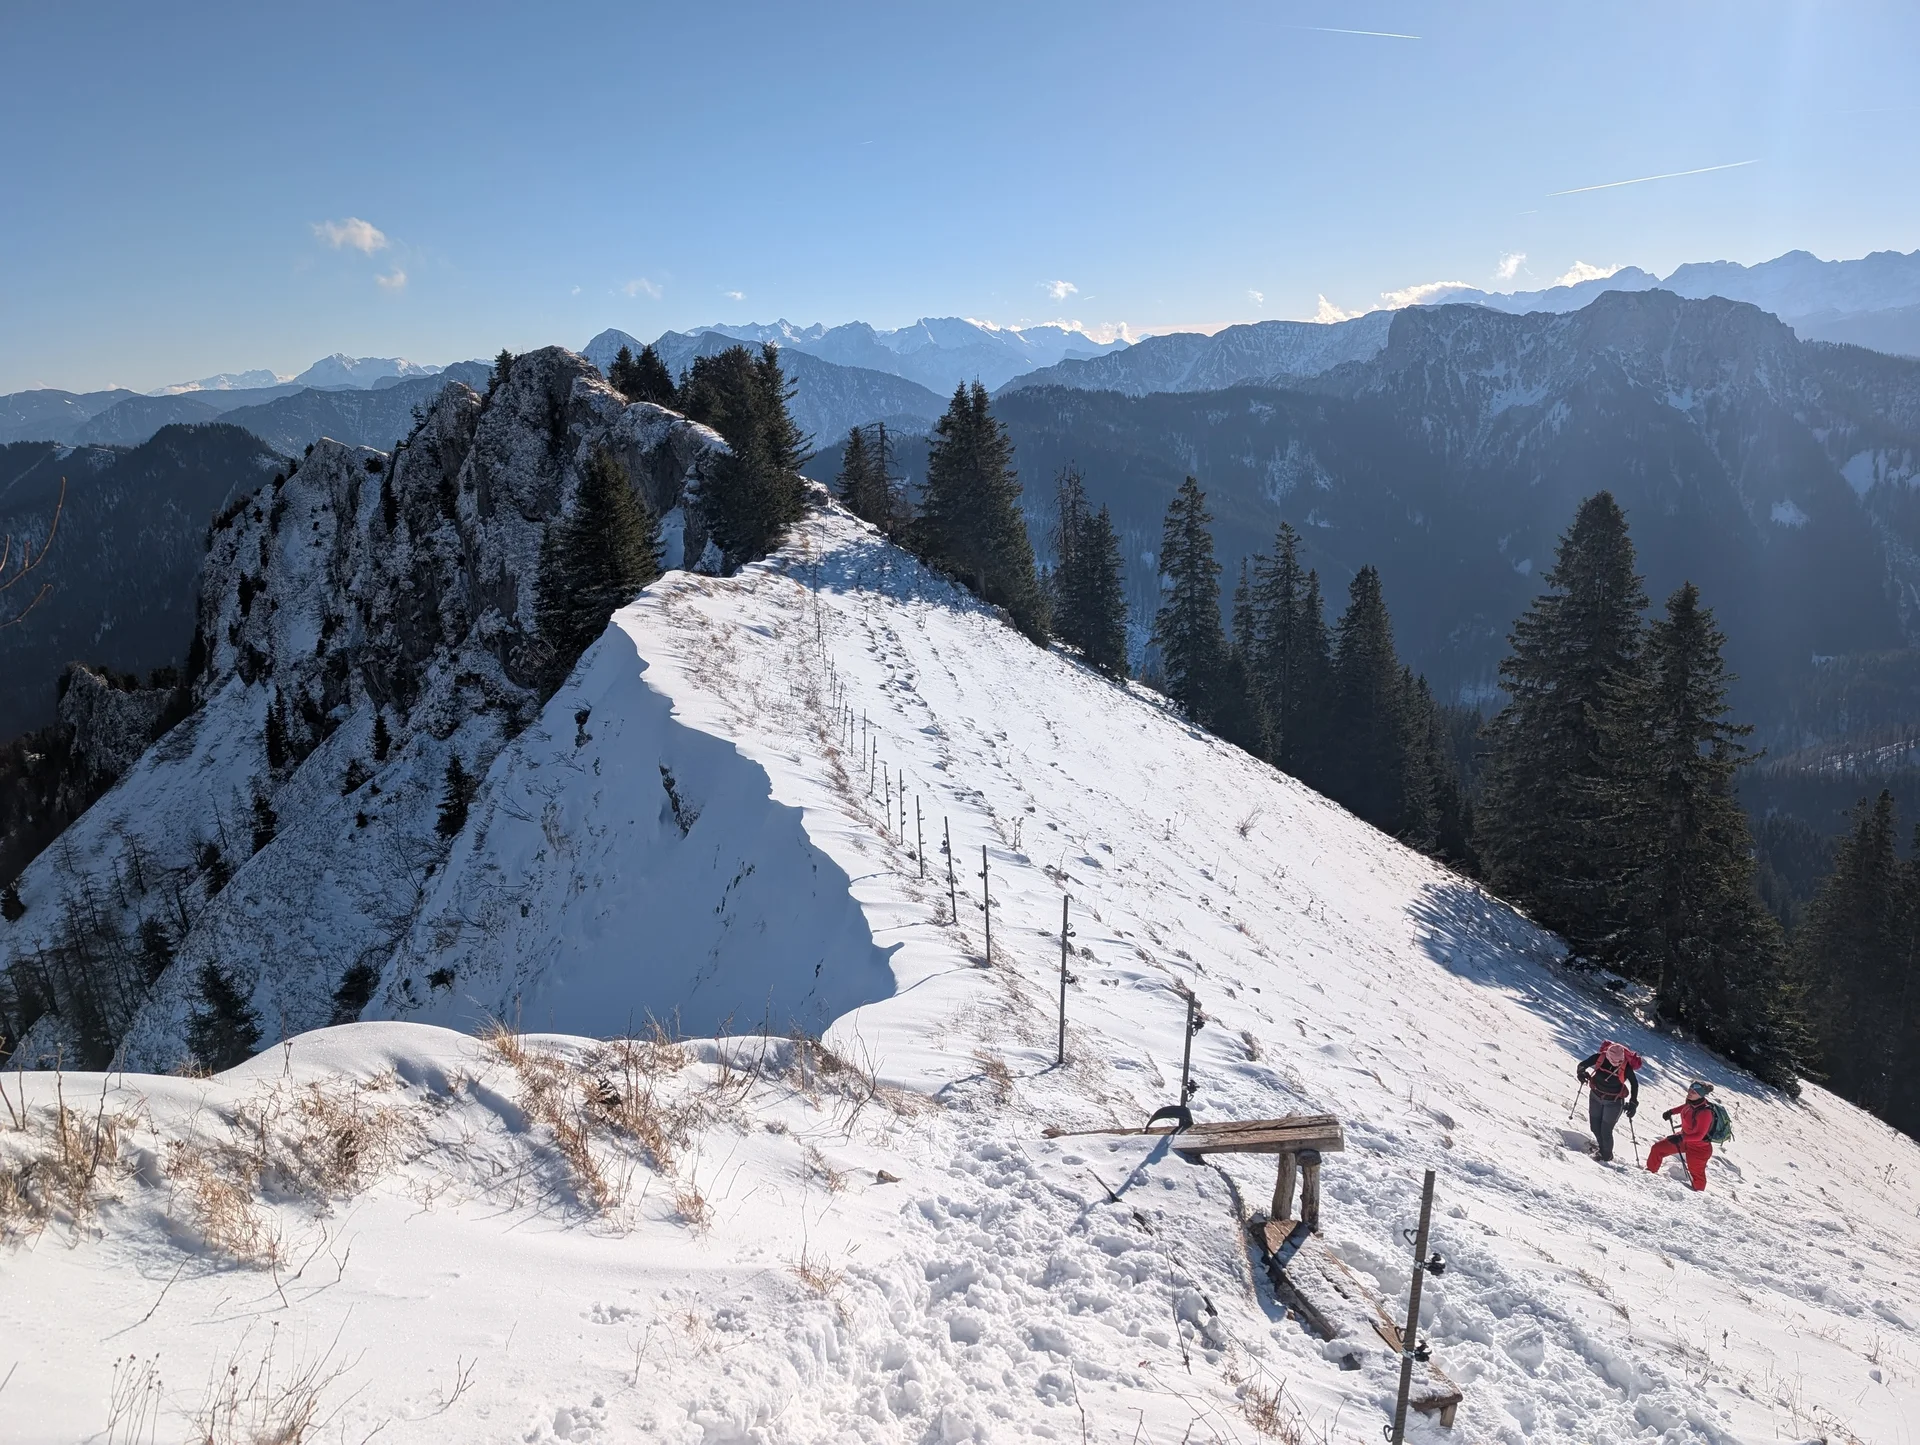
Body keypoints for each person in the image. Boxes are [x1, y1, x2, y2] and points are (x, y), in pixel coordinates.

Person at [1575, 1040, 1641, 1162]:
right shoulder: (1600, 1057)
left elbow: (1634, 1084)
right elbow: (1582, 1065)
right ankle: (1602, 1149)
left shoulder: (1625, 1066)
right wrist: (1581, 1072)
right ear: (1607, 1055)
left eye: (1620, 1060)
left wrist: (1633, 1102)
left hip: (1614, 1103)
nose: (1618, 1063)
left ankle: (1606, 1156)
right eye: (1615, 1061)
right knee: (1595, 1127)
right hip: (1595, 1096)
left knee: (1605, 1131)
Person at [1646, 1081, 1716, 1191]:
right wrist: (1671, 1112)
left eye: (1694, 1091)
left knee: (1696, 1175)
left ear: (1701, 1095)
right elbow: (1684, 1107)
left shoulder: (1705, 1112)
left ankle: (1698, 1197)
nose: (1690, 1092)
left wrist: (1681, 1138)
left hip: (1699, 1147)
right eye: (1690, 1090)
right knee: (1657, 1148)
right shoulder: (1691, 1103)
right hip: (1684, 1138)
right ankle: (1648, 1175)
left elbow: (1700, 1135)